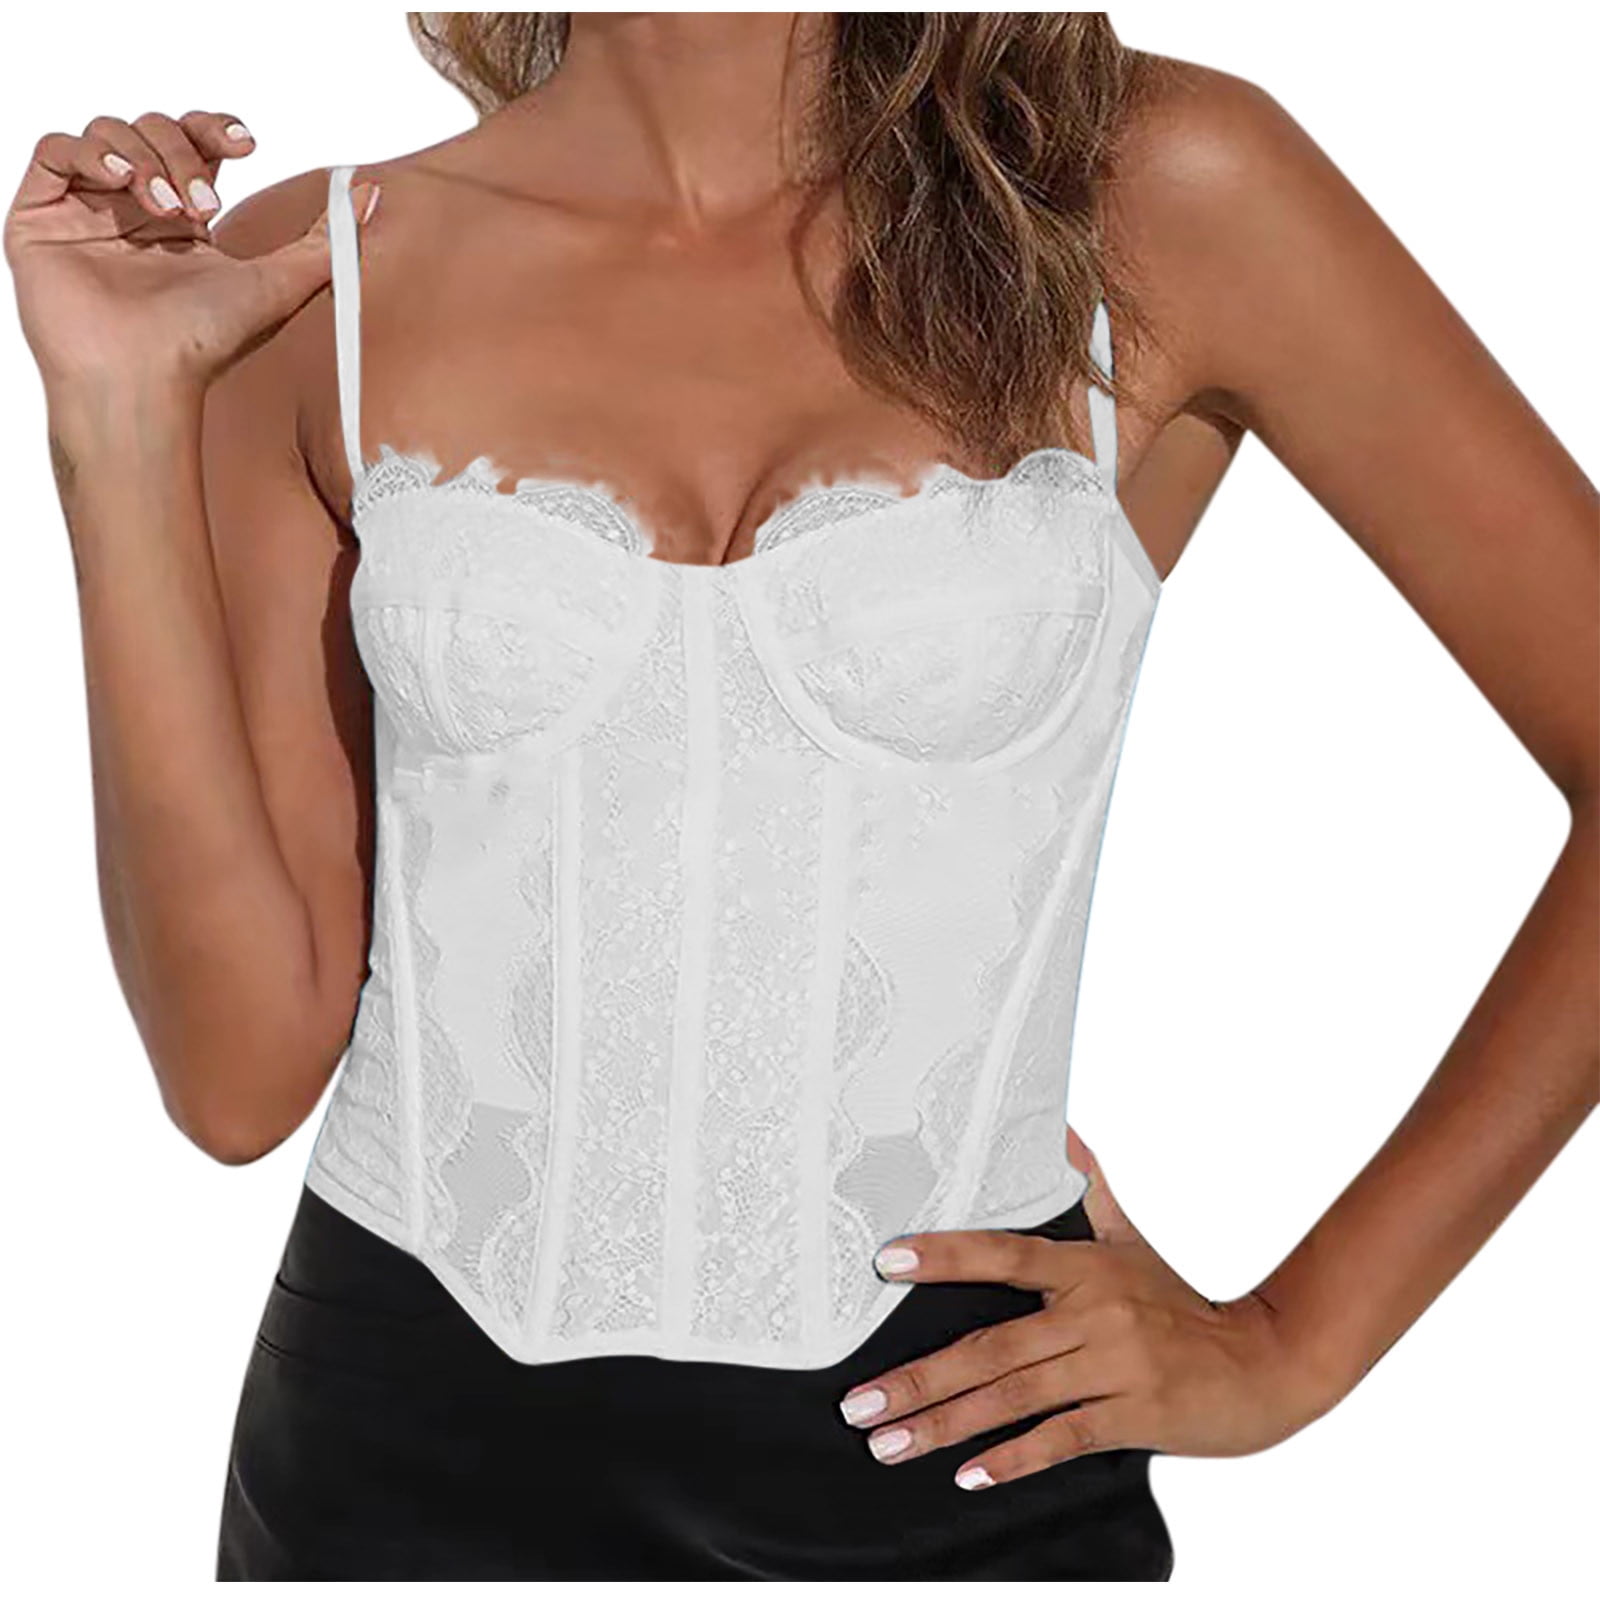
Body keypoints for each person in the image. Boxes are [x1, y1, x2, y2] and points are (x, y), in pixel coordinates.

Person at [6, 12, 1594, 1584]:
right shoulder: (320, 269)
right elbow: (235, 1077)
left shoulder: (1146, 190)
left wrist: (1292, 1345)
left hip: (963, 1466)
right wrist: (117, 422)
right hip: (388, 1476)